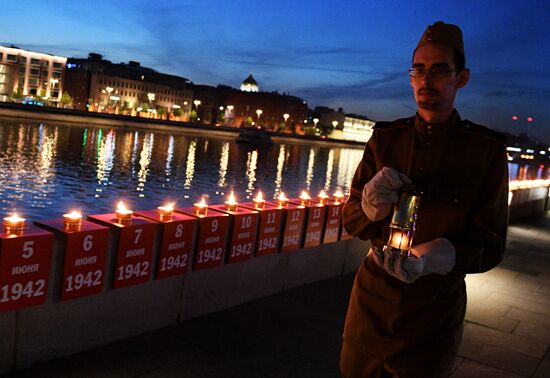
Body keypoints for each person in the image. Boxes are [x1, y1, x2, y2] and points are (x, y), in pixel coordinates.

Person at [340, 21, 509, 377]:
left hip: (434, 309)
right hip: (371, 301)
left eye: (439, 70)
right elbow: (351, 220)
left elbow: (490, 246)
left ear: (462, 77)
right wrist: (369, 207)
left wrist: (439, 257)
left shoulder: (485, 151)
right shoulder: (385, 139)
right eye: (418, 69)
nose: (426, 79)